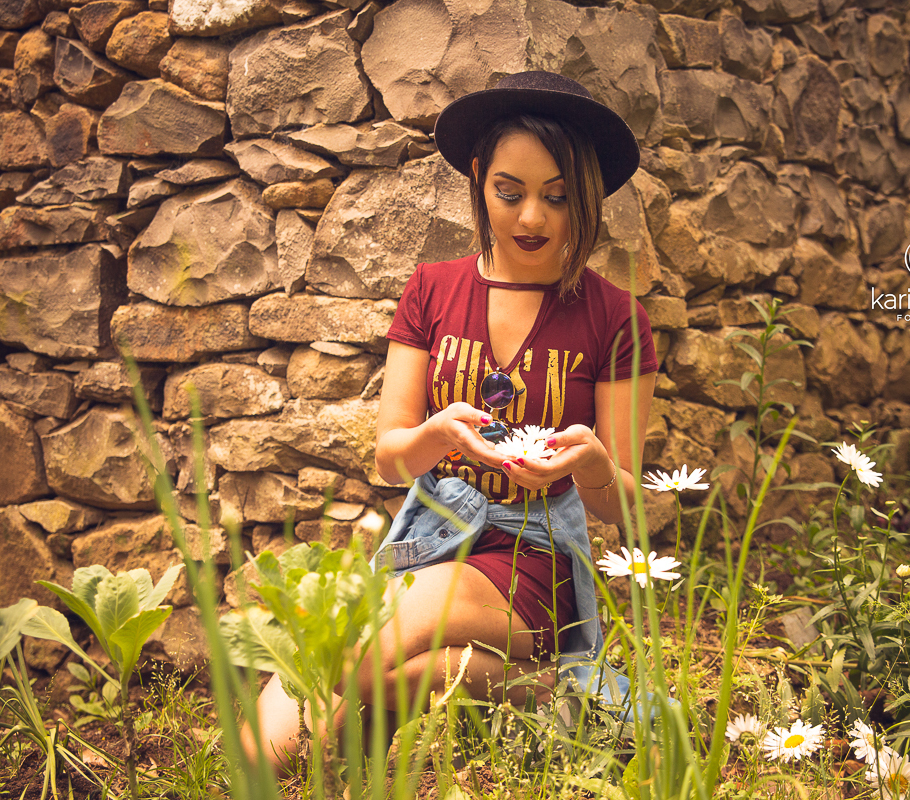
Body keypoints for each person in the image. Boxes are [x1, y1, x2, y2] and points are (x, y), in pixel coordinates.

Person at [243, 70, 658, 771]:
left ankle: (512, 676)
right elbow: (391, 458)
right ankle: (541, 689)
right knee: (283, 731)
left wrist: (590, 463)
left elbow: (630, 513)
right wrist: (438, 435)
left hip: (536, 558)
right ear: (478, 177)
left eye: (557, 197)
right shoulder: (432, 290)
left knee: (348, 653)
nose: (532, 218)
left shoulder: (616, 317)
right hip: (428, 537)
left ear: (585, 195)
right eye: (510, 192)